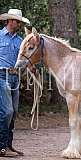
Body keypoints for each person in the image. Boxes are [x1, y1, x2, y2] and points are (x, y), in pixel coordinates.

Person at [0, 9, 30, 157]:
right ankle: (1, 146)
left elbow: (24, 60)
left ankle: (8, 145)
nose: (18, 24)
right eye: (17, 21)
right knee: (7, 112)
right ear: (10, 21)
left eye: (19, 22)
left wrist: (32, 68)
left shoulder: (20, 41)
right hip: (1, 76)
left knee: (14, 112)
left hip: (15, 78)